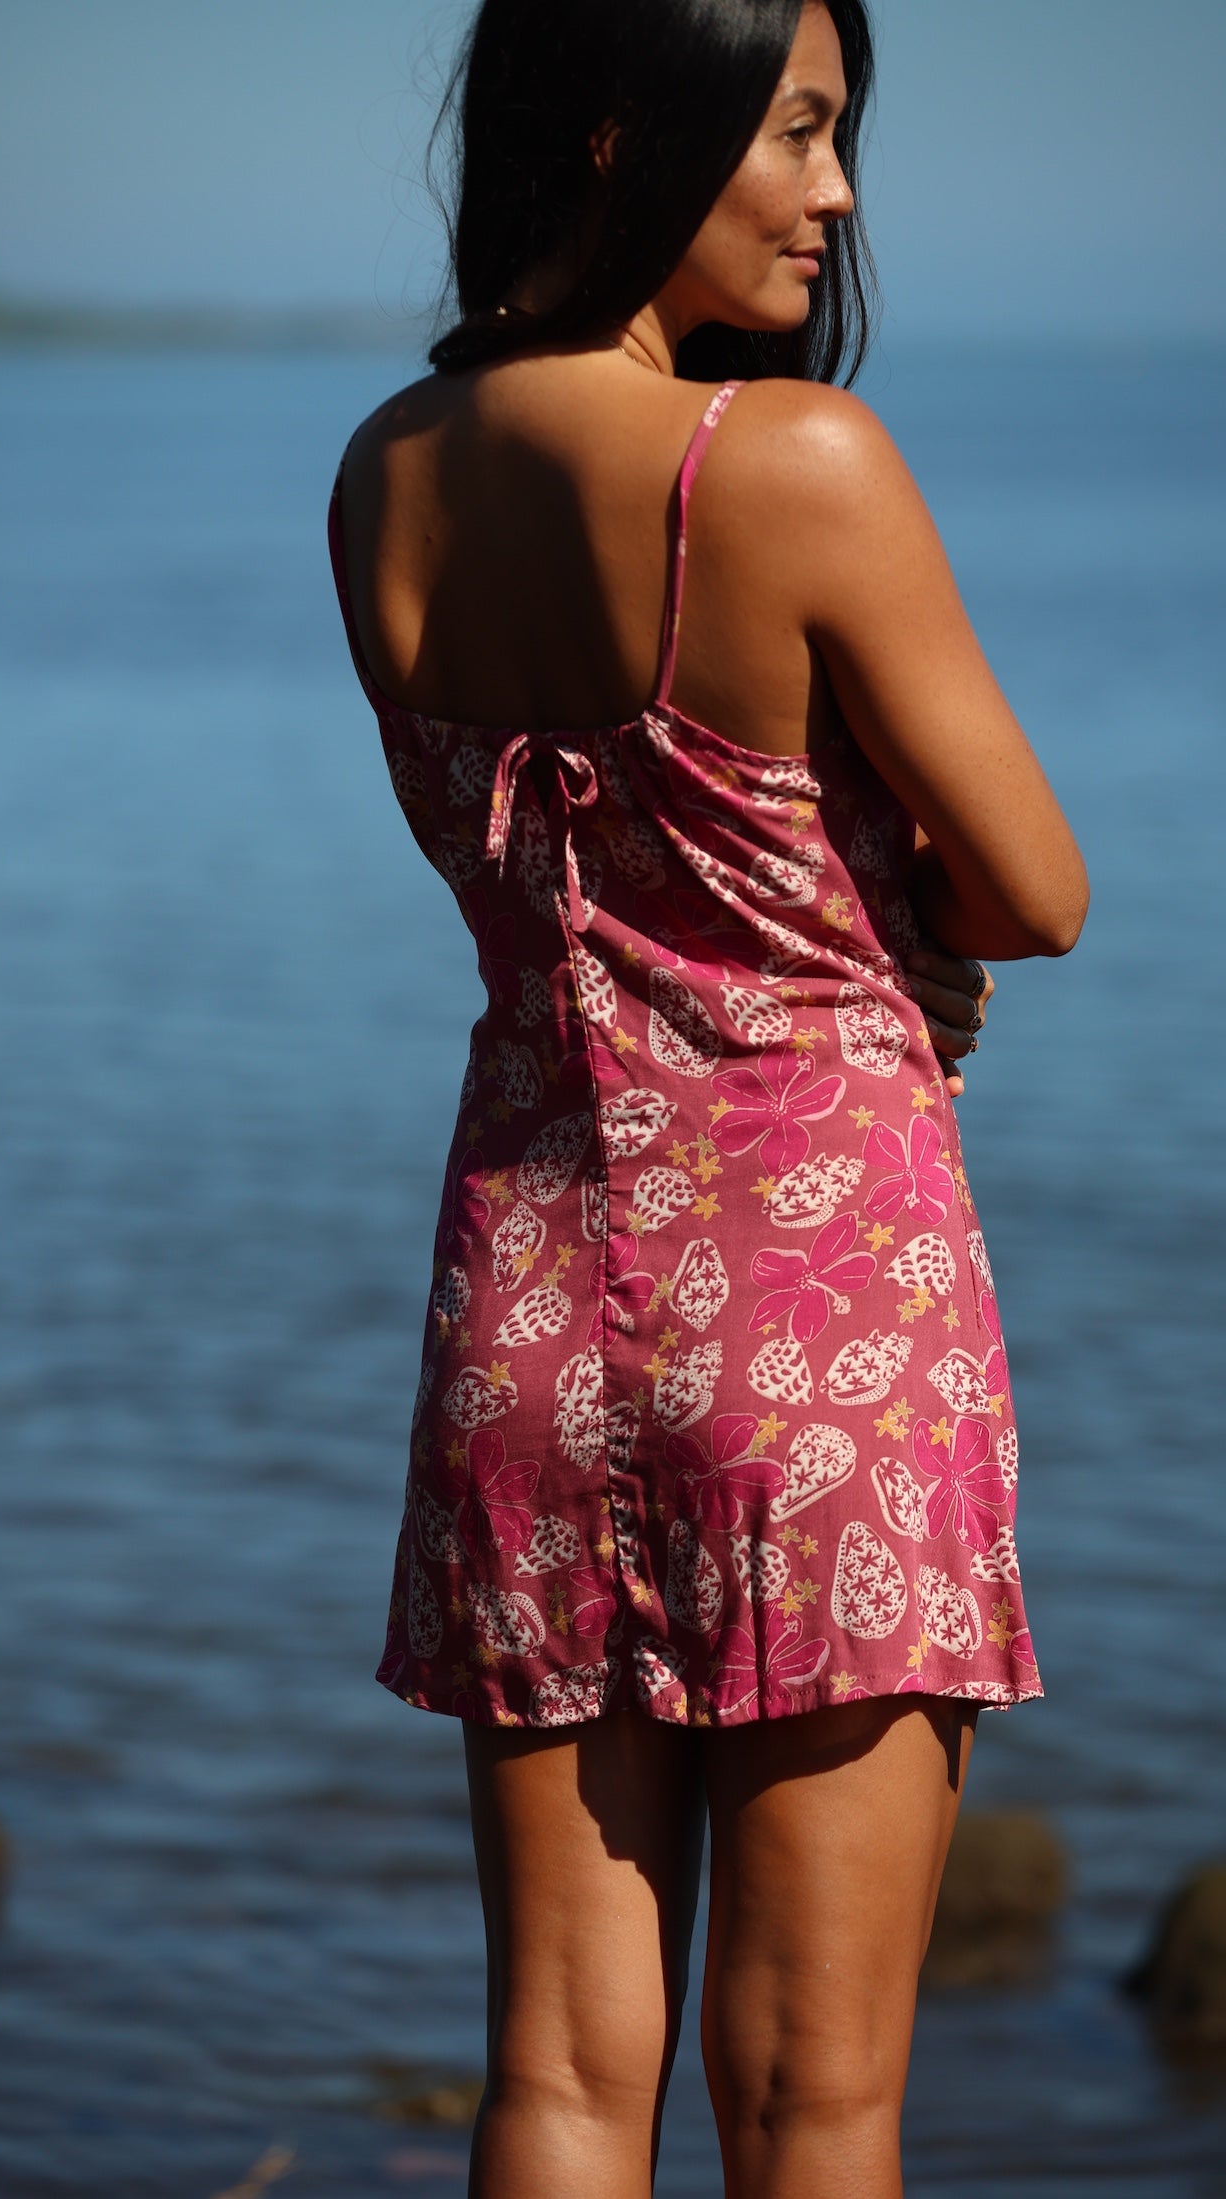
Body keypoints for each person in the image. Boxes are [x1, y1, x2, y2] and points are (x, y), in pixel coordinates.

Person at [326, 1, 1089, 2192]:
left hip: (529, 1295)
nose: (833, 192)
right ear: (619, 133)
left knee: (559, 2071)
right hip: (815, 1299)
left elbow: (544, 868)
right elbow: (1030, 887)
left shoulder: (384, 471)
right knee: (813, 2094)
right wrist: (890, 933)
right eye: (797, 130)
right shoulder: (786, 464)